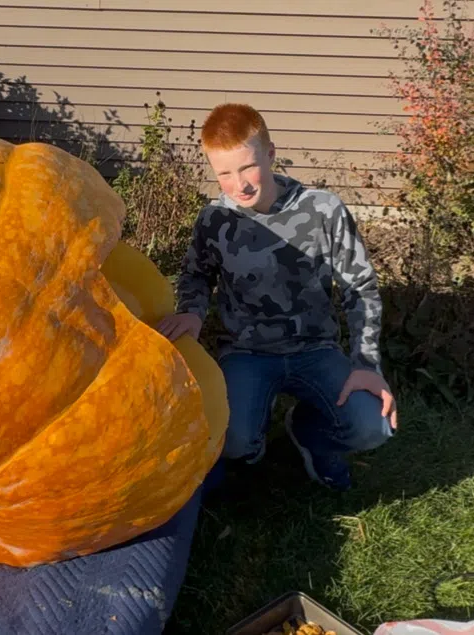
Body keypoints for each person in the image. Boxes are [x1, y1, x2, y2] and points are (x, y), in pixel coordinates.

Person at [156, 103, 397, 491]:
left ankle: (310, 436)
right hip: (246, 352)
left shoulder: (322, 209)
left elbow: (360, 287)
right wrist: (193, 312)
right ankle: (251, 439)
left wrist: (367, 363)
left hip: (315, 349)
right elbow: (197, 274)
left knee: (374, 426)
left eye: (248, 167)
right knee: (233, 441)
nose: (241, 185)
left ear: (269, 154)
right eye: (225, 174)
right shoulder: (215, 219)